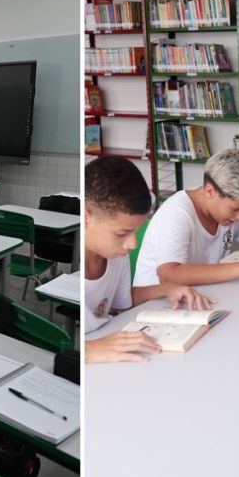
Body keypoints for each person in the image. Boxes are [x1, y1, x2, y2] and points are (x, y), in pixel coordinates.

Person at [84, 156, 213, 363]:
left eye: (136, 231)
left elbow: (122, 302)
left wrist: (165, 289)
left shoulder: (115, 253)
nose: (132, 244)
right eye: (122, 233)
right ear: (86, 217)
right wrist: (88, 349)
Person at [132, 148, 239, 288]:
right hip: (157, 304)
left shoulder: (232, 205)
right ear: (210, 191)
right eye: (236, 209)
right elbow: (169, 275)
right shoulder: (178, 213)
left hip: (197, 293)